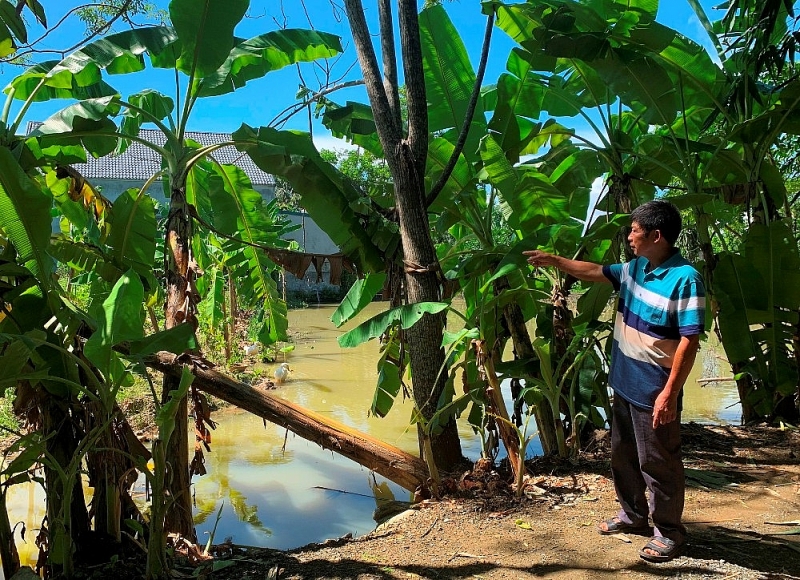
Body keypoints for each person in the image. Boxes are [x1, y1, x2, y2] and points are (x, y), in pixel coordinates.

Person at [524, 200, 705, 563]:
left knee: (659, 462)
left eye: (634, 230)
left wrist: (670, 394)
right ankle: (633, 516)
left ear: (656, 235)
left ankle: (669, 532)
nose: (629, 236)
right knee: (622, 456)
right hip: (623, 381)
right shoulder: (636, 268)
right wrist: (557, 261)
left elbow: (689, 339)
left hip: (654, 390)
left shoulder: (685, 278)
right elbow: (594, 271)